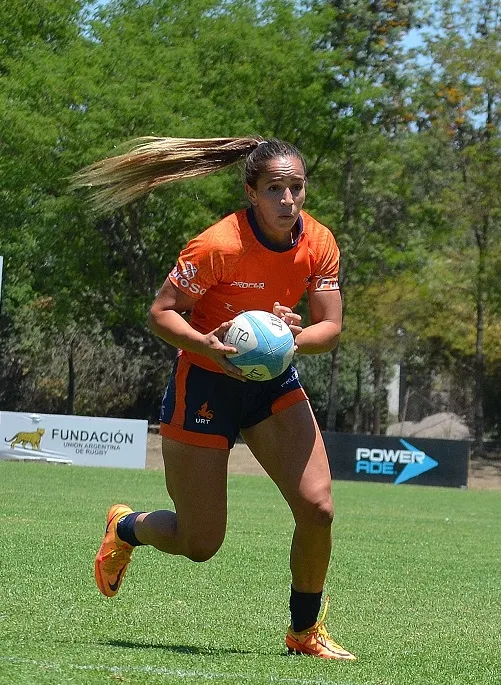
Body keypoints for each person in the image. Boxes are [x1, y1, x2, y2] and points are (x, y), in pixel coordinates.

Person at [74, 137, 354, 660]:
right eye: (275, 189)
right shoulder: (217, 245)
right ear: (251, 192)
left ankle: (303, 634)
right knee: (200, 543)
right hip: (204, 382)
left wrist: (292, 338)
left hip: (272, 381)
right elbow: (161, 313)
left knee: (317, 508)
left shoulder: (319, 242)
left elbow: (332, 328)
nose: (288, 200)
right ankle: (126, 527)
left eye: (296, 188)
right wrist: (202, 343)